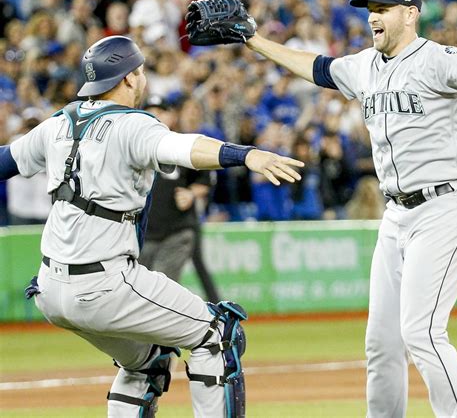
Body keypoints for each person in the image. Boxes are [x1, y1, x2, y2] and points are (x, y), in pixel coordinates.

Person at [0, 35, 303, 418]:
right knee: (218, 334)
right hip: (103, 284)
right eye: (140, 72)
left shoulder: (59, 123)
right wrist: (246, 154)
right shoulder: (133, 125)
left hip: (49, 288)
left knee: (147, 362)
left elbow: (4, 161)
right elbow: (186, 147)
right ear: (128, 78)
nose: (143, 80)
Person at [240, 0, 457, 417]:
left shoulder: (438, 60)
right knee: (382, 343)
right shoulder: (364, 65)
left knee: (421, 333)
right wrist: (254, 41)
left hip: (445, 205)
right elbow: (316, 67)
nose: (373, 18)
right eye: (370, 10)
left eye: (383, 9)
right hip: (396, 214)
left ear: (410, 13)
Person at [140, 94, 219, 302]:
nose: (155, 116)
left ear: (171, 117)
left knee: (161, 289)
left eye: (160, 112)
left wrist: (191, 193)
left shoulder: (180, 145)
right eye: (150, 111)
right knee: (141, 293)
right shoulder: (133, 148)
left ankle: (215, 315)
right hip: (145, 234)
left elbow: (206, 179)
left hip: (178, 229)